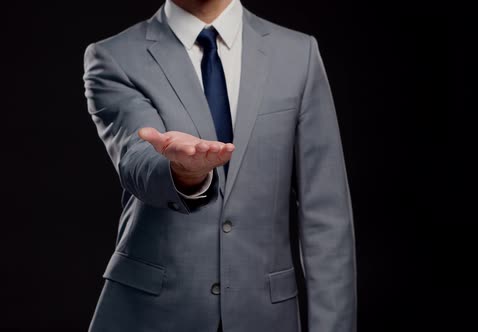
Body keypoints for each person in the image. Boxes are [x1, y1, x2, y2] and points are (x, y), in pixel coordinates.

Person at [82, 0, 356, 331]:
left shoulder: (299, 54)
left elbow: (327, 215)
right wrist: (184, 173)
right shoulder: (114, 55)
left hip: (265, 315)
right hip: (152, 315)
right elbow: (136, 159)